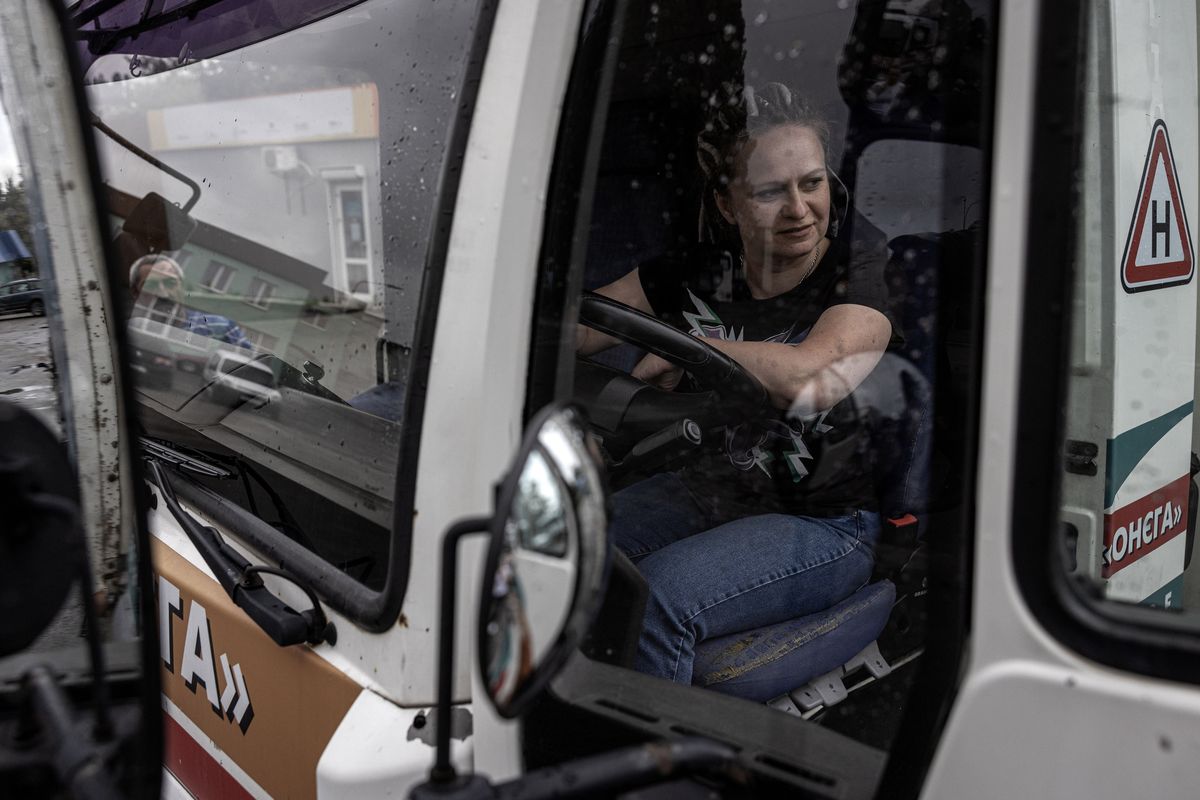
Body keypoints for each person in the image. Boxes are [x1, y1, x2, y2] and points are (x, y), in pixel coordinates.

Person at [577, 83, 899, 686]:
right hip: (706, 490)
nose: (800, 209)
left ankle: (650, 764)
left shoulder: (861, 266)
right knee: (556, 550)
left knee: (653, 600)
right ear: (727, 205)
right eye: (771, 192)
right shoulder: (696, 272)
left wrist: (693, 351)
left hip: (823, 521)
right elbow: (579, 324)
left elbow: (816, 376)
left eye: (812, 183)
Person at [128, 253, 254, 350]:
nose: (163, 294)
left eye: (170, 283)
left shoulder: (220, 328)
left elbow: (253, 373)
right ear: (135, 292)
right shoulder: (125, 330)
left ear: (182, 288)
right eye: (151, 285)